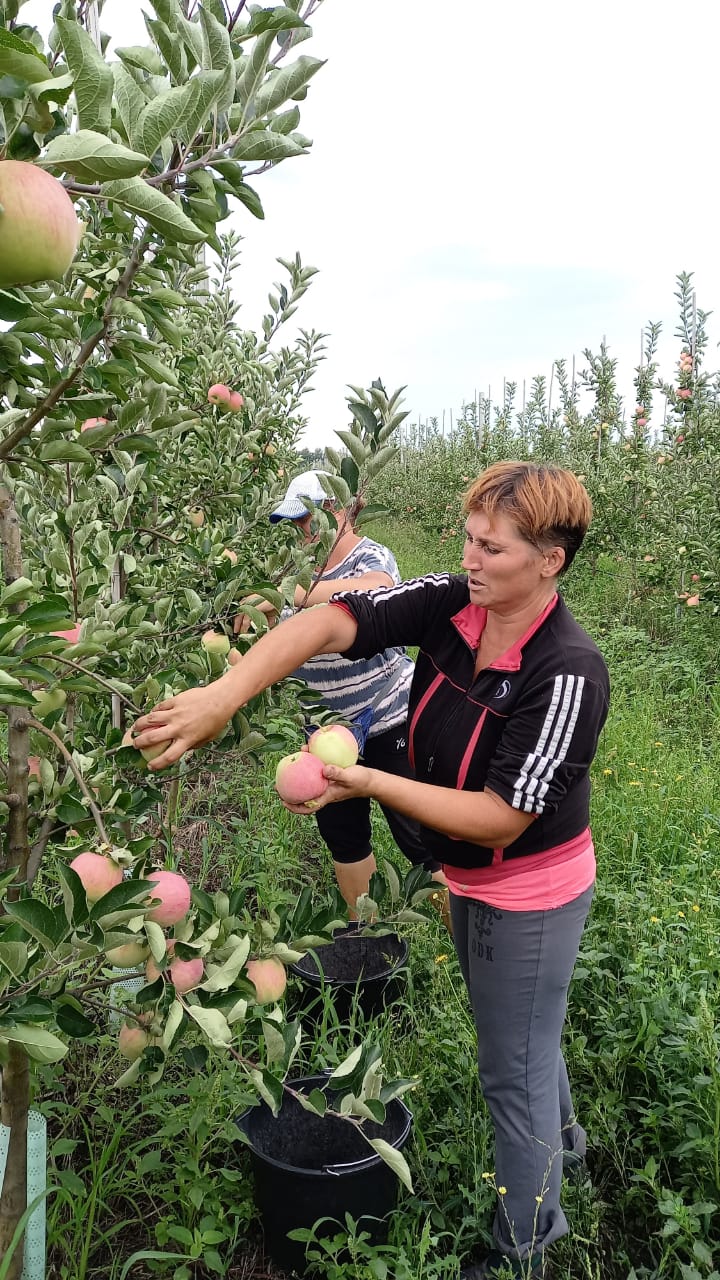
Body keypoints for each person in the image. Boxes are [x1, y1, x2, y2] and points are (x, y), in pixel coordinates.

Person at [134, 461, 609, 1279]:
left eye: (491, 546)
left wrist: (367, 780)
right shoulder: (458, 604)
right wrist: (226, 693)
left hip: (527, 890)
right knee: (527, 1036)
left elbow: (503, 817)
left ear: (549, 560)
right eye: (468, 536)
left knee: (510, 1071)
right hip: (470, 880)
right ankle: (569, 1146)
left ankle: (526, 1248)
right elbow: (328, 623)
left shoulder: (566, 670)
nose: (470, 556)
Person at [235, 469, 449, 914]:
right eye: (292, 523)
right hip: (324, 732)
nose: (300, 531)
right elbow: (272, 643)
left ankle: (465, 945)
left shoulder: (371, 558)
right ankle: (367, 937)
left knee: (423, 840)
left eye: (307, 520)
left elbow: (377, 593)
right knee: (345, 840)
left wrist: (292, 594)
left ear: (339, 511)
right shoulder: (289, 568)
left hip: (389, 719)